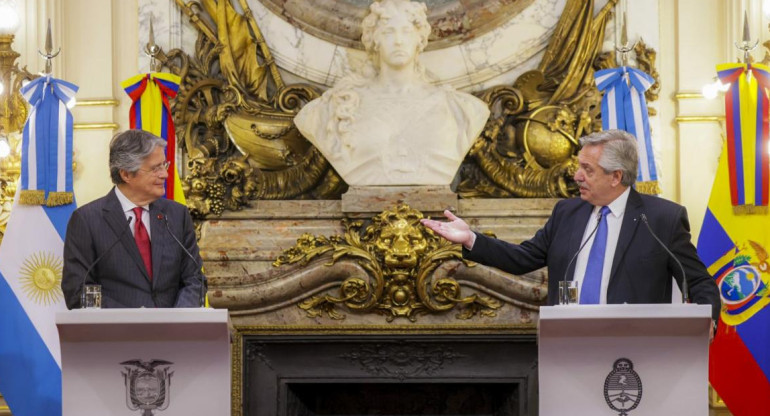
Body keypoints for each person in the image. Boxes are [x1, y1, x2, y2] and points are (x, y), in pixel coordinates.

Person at [421, 129, 721, 326]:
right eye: (579, 166)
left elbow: (697, 280)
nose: (576, 176)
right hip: (569, 341)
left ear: (616, 176)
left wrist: (708, 320)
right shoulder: (568, 212)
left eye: (587, 170)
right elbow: (523, 258)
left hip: (635, 345)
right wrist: (471, 238)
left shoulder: (661, 219)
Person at [294, 0, 490, 186]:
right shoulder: (337, 106)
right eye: (388, 32)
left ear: (419, 39)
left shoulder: (461, 108)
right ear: (375, 40)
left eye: (406, 31)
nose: (398, 41)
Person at [62, 129, 204, 308]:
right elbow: (78, 290)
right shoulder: (87, 220)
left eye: (164, 165)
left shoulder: (177, 215)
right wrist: (133, 321)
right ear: (126, 174)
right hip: (116, 332)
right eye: (155, 168)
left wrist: (176, 319)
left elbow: (195, 279)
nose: (164, 175)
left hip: (172, 332)